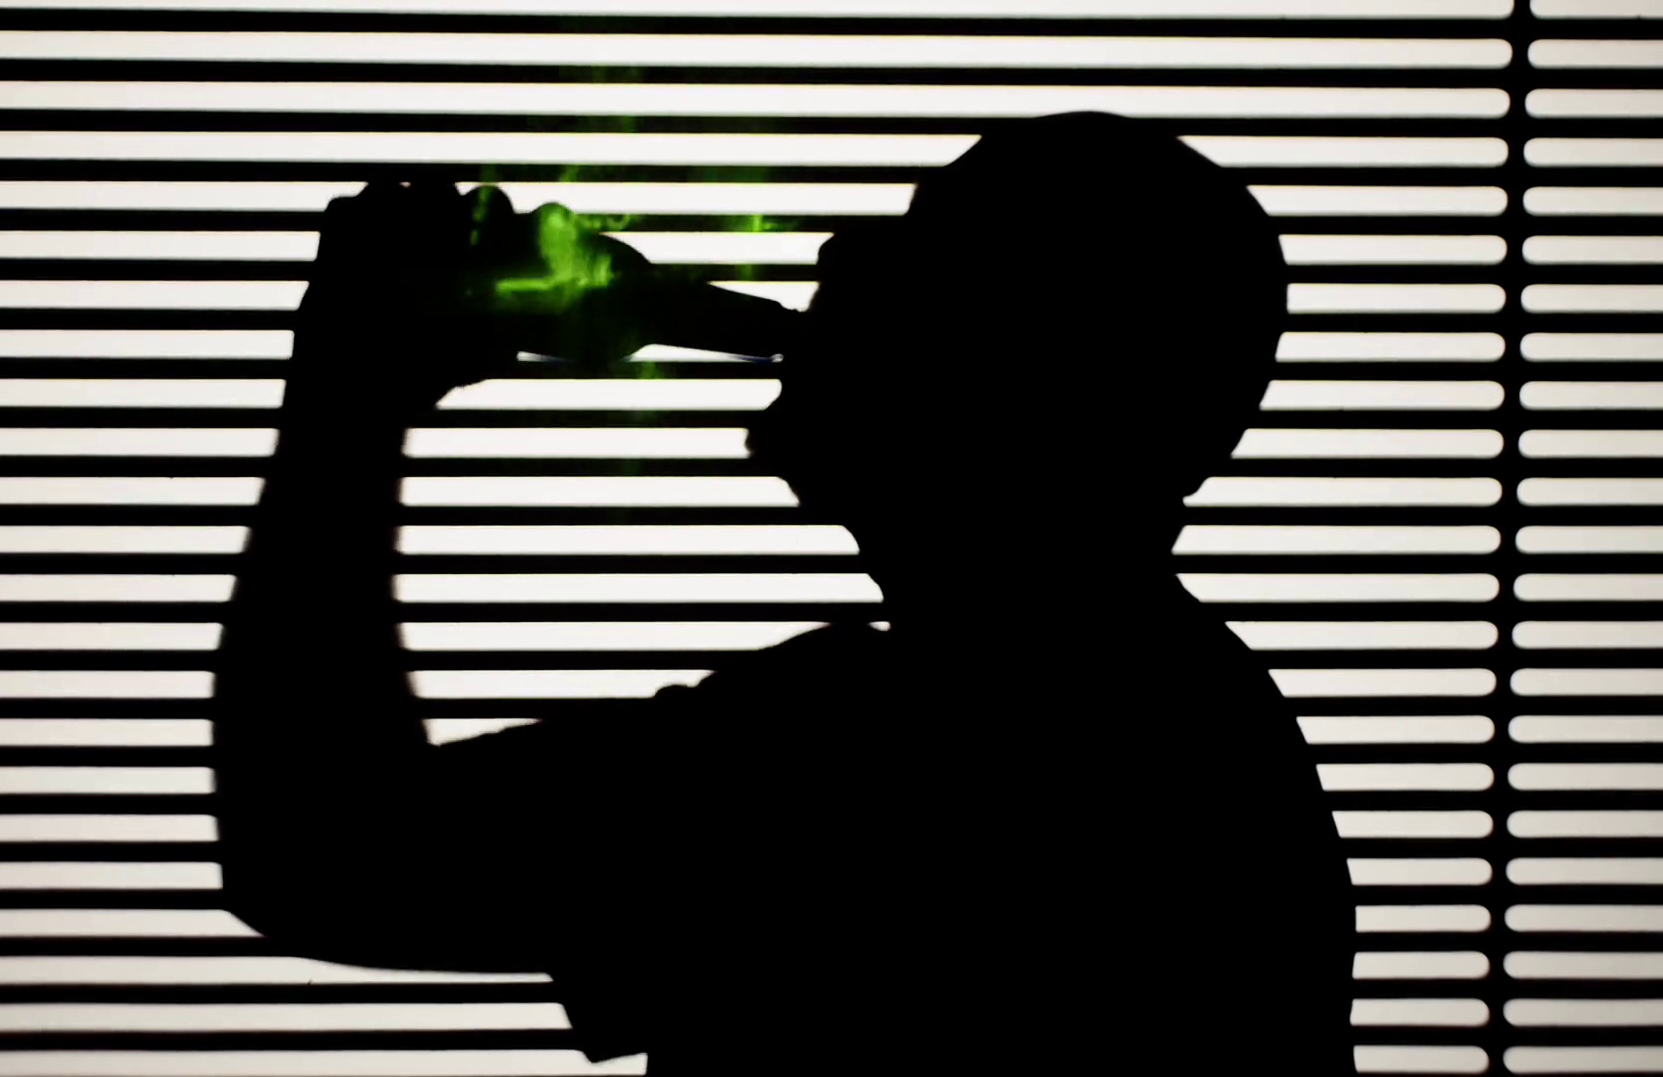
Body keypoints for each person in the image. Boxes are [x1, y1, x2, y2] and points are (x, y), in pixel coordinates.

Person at [213, 111, 1356, 1075]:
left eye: (930, 246)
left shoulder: (890, 751)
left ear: (1038, 375)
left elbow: (324, 855)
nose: (839, 249)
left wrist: (346, 399)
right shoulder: (1186, 717)